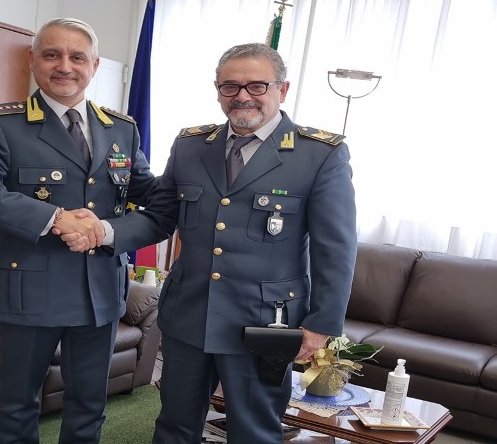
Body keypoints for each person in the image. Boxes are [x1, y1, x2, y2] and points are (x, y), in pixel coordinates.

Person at [62, 42, 357, 443]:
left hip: (264, 323)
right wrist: (104, 230)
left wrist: (320, 325)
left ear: (282, 90)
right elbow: (160, 216)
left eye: (257, 86)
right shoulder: (191, 146)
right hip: (189, 314)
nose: (242, 96)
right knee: (174, 427)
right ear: (218, 90)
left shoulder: (319, 154)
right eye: (230, 87)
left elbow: (335, 250)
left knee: (254, 432)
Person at [0, 17, 156, 444]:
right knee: (18, 402)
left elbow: (150, 194)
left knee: (89, 404)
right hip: (30, 289)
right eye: (52, 54)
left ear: (94, 65)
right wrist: (56, 218)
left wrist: (110, 231)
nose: (65, 66)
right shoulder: (2, 124)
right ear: (32, 60)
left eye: (77, 57)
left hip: (99, 290)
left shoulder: (122, 128)